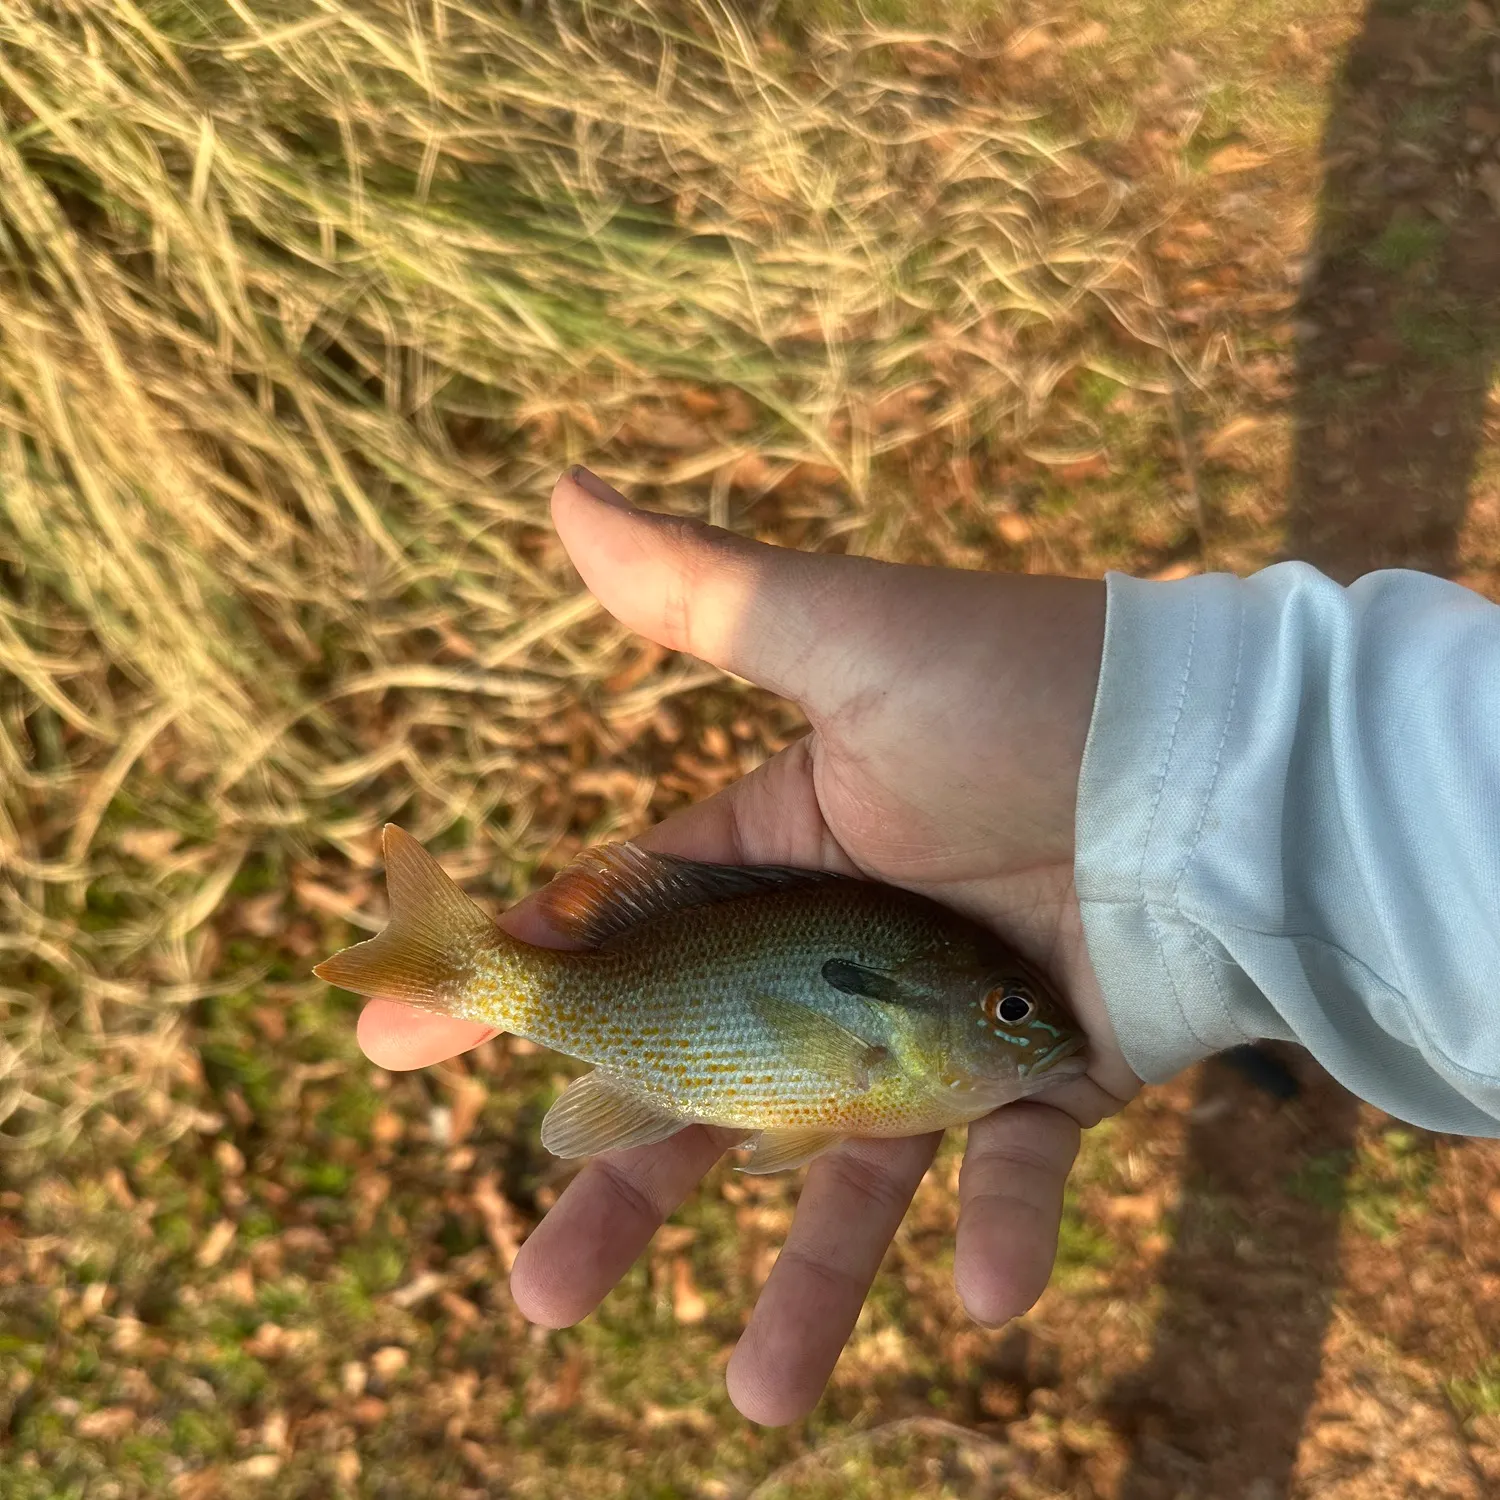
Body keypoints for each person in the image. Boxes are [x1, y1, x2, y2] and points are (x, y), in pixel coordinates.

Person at [355, 464, 1500, 1426]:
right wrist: (1161, 743)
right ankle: (466, 965)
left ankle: (464, 965)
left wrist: (1174, 738)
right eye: (1007, 1012)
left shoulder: (917, 1031)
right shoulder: (899, 1039)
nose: (1035, 1026)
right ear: (926, 1018)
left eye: (1015, 1012)